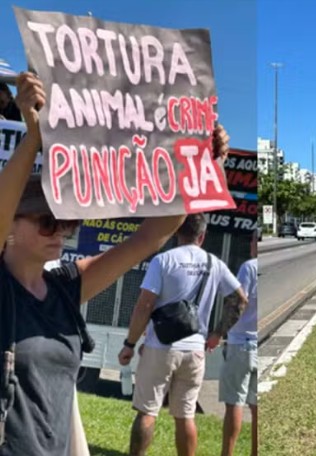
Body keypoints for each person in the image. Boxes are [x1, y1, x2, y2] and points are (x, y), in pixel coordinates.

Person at [0, 72, 222, 456]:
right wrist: (35, 137)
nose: (61, 233)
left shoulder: (66, 288)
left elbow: (151, 236)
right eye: (47, 222)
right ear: (11, 228)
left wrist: (198, 162)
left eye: (67, 223)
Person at [118, 213, 248, 456]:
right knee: (186, 415)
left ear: (177, 231)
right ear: (203, 235)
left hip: (161, 346)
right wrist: (218, 333)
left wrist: (130, 344)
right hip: (195, 349)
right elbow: (240, 299)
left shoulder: (163, 261)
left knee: (147, 412)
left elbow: (144, 305)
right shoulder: (214, 263)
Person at [220, 229, 259, 456]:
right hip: (258, 342)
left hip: (240, 342)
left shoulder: (249, 267)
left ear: (254, 242)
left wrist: (221, 330)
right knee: (256, 408)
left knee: (234, 403)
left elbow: (239, 301)